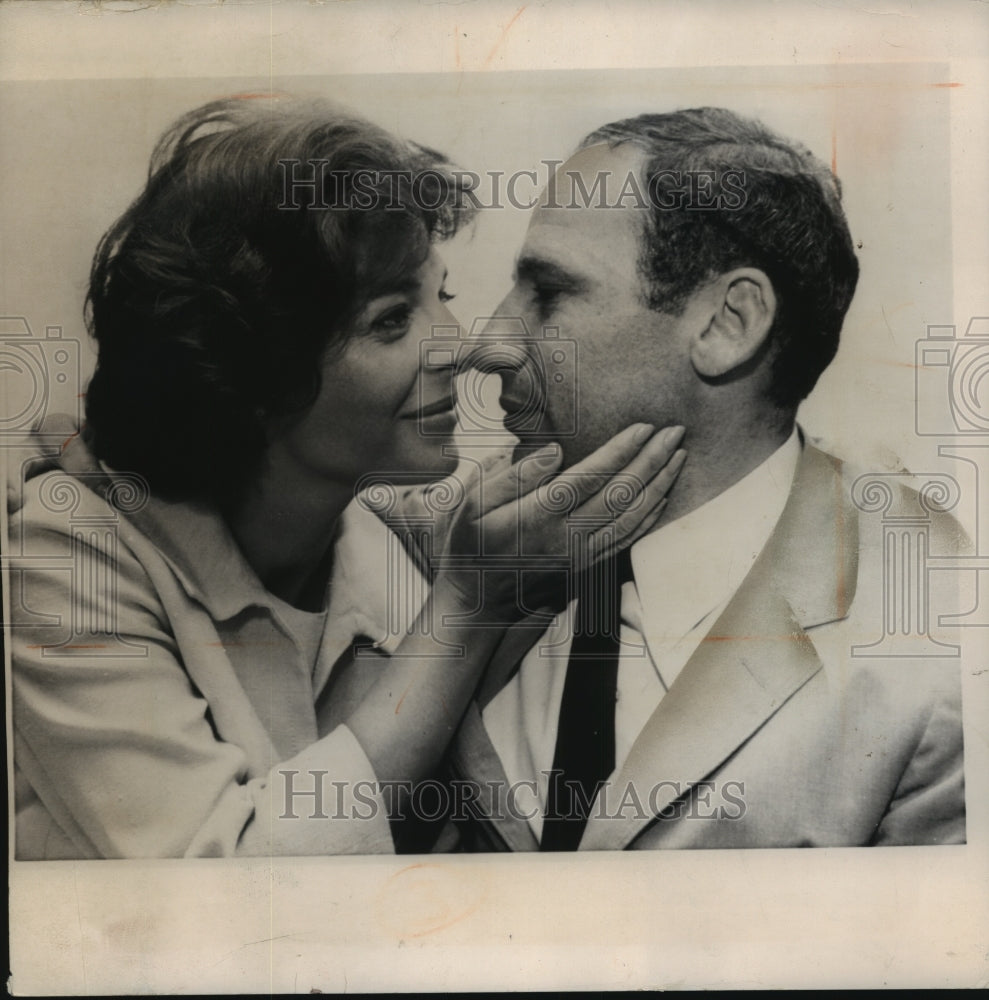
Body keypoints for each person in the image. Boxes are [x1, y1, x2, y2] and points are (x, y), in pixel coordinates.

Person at [7, 96, 688, 859]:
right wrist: (465, 609)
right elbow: (227, 890)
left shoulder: (400, 525)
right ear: (252, 377)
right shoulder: (65, 561)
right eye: (392, 320)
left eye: (443, 297)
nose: (458, 348)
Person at [447, 107, 967, 851]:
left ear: (728, 324)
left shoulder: (935, 644)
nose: (489, 342)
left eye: (550, 292)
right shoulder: (464, 550)